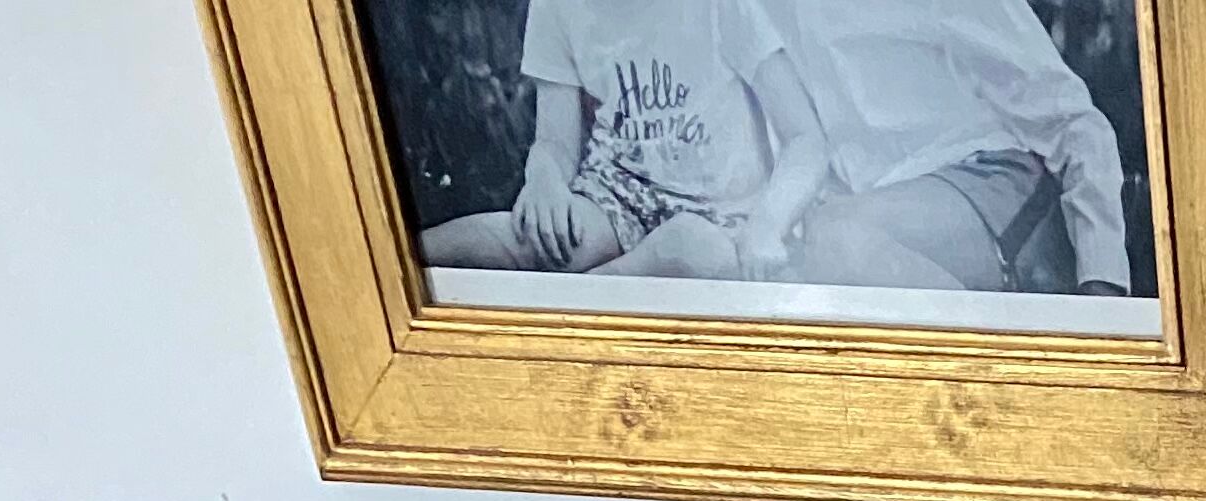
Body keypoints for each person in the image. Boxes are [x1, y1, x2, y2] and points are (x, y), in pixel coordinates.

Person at [424, 0, 832, 280]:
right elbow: (555, 143)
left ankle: (578, 299)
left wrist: (767, 225)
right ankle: (384, 264)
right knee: (529, 239)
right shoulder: (558, 7)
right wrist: (544, 181)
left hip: (724, 214)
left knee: (698, 252)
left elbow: (805, 138)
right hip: (616, 199)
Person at [754, 0, 1136, 297]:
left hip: (998, 185)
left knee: (836, 238)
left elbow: (1074, 122)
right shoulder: (756, 12)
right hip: (878, 224)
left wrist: (1101, 284)